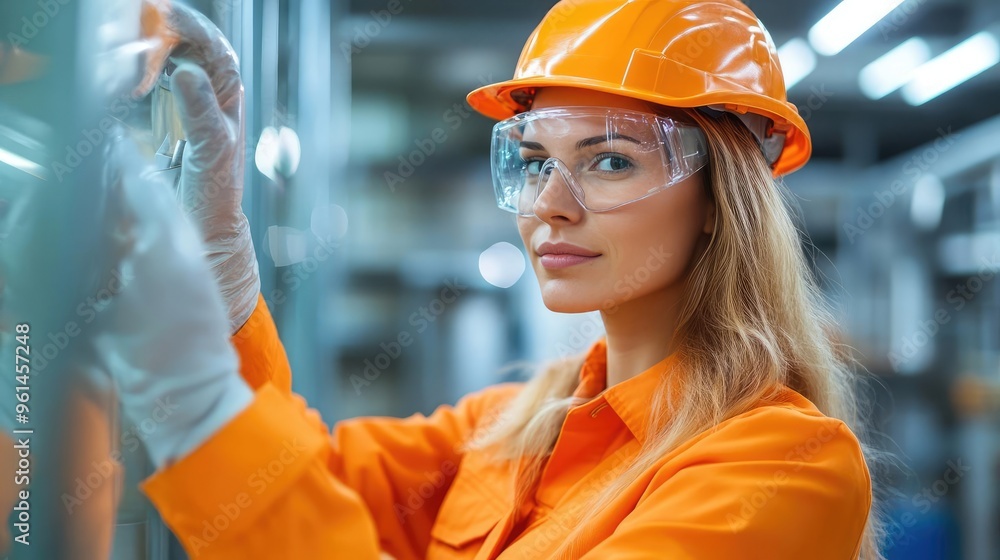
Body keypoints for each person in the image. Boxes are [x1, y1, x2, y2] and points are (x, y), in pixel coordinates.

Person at [94, 0, 885, 558]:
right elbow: (293, 485)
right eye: (535, 162)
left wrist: (198, 403)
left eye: (610, 161)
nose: (550, 206)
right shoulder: (514, 426)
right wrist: (225, 290)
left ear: (720, 199)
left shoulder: (784, 466)